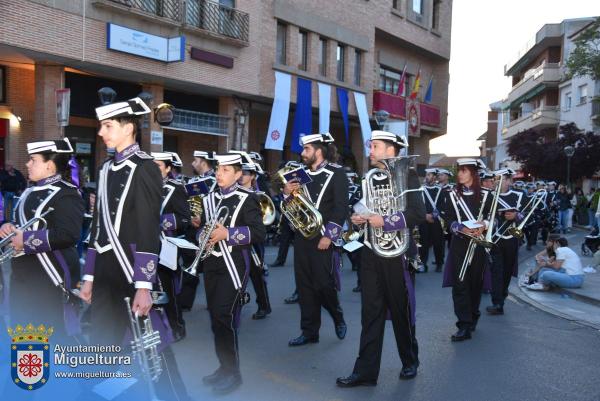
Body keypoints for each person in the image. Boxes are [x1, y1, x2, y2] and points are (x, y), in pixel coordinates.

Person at [79, 97, 187, 400]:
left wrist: (144, 285)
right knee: (103, 346)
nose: (101, 132)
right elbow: (97, 226)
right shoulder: (103, 170)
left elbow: (147, 229)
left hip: (131, 274)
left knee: (150, 347)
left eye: (108, 126)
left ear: (129, 128)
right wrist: (88, 275)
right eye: (102, 126)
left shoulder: (145, 168)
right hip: (104, 274)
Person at [336, 130, 425, 387]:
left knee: (401, 311)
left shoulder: (408, 175)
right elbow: (364, 208)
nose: (370, 151)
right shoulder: (370, 178)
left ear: (390, 150)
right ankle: (365, 372)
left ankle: (410, 361)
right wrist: (358, 218)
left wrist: (385, 221)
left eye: (375, 146)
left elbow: (418, 213)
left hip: (398, 254)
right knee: (370, 313)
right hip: (372, 253)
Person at [0, 139, 83, 340]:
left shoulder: (67, 194)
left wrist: (26, 240)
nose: (27, 164)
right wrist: (7, 227)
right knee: (25, 337)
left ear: (49, 165)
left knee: (52, 337)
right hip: (22, 277)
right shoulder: (28, 191)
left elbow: (68, 234)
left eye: (33, 160)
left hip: (49, 277)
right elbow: (21, 223)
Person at [198, 153, 266, 394]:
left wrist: (228, 234)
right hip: (211, 265)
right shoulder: (209, 198)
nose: (219, 173)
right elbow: (206, 229)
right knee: (215, 319)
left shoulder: (248, 199)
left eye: (226, 170)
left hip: (235, 265)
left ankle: (233, 373)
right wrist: (203, 238)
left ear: (238, 174)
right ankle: (223, 367)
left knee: (224, 317)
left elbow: (259, 233)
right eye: (218, 168)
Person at [284, 132, 348, 347]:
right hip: (303, 237)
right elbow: (291, 206)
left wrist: (329, 235)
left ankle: (337, 315)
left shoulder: (337, 173)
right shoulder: (299, 174)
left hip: (324, 239)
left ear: (319, 151)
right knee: (304, 287)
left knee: (323, 285)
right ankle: (309, 331)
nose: (303, 153)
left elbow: (341, 208)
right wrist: (286, 193)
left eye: (307, 149)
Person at [440, 158, 493, 341]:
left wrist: (483, 225)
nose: (459, 174)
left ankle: (473, 315)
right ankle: (463, 324)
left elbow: (493, 218)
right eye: (458, 170)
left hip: (478, 244)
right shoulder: (450, 194)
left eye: (463, 170)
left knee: (475, 284)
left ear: (472, 172)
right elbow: (445, 219)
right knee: (460, 284)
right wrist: (459, 227)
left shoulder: (487, 194)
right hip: (459, 244)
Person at [152, 151, 191, 342]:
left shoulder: (176, 189)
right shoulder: (143, 186)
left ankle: (177, 326)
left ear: (168, 169)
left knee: (168, 289)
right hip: (145, 244)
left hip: (166, 246)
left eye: (158, 165)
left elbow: (185, 218)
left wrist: (159, 221)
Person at [237, 154, 272, 320]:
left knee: (257, 275)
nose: (241, 175)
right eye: (240, 172)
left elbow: (267, 221)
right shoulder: (232, 193)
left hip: (253, 242)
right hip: (236, 239)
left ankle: (264, 306)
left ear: (252, 176)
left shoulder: (260, 196)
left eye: (245, 172)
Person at [486, 168, 523, 315]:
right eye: (495, 179)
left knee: (507, 271)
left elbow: (531, 216)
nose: (496, 182)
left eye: (500, 179)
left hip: (512, 239)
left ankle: (502, 295)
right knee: (496, 271)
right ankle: (497, 303)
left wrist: (516, 216)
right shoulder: (489, 196)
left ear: (508, 180)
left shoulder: (519, 196)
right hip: (495, 239)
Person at [419, 167, 445, 273]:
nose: (427, 177)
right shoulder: (421, 189)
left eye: (429, 175)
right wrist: (425, 215)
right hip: (424, 220)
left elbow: (442, 205)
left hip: (436, 221)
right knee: (423, 243)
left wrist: (433, 216)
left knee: (438, 243)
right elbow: (419, 204)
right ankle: (423, 264)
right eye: (427, 175)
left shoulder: (440, 190)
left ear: (434, 177)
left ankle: (439, 263)